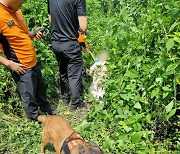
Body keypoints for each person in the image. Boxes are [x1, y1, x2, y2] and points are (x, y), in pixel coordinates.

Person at [0, 0, 58, 121]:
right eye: (21, 2)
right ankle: (34, 120)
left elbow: (22, 33)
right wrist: (10, 64)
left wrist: (33, 34)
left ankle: (48, 110)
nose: (23, 4)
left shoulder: (16, 9)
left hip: (32, 60)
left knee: (40, 89)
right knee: (29, 96)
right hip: (20, 66)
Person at [48, 0, 88, 111]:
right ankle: (75, 104)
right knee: (74, 75)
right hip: (70, 43)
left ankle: (65, 99)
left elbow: (50, 18)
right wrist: (80, 33)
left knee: (63, 70)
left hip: (56, 42)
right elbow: (83, 26)